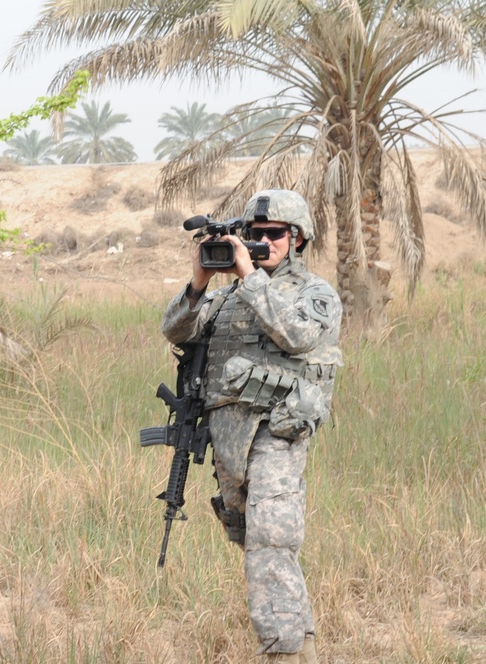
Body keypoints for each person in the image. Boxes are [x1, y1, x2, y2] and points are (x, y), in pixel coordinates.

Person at [161, 189, 343, 662]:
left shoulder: (314, 294)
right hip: (229, 442)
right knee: (257, 546)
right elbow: (176, 330)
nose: (263, 242)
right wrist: (199, 283)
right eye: (255, 234)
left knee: (271, 544)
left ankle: (281, 653)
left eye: (274, 234)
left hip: (278, 432)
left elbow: (296, 335)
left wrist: (248, 276)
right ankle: (300, 649)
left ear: (297, 239)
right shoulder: (226, 298)